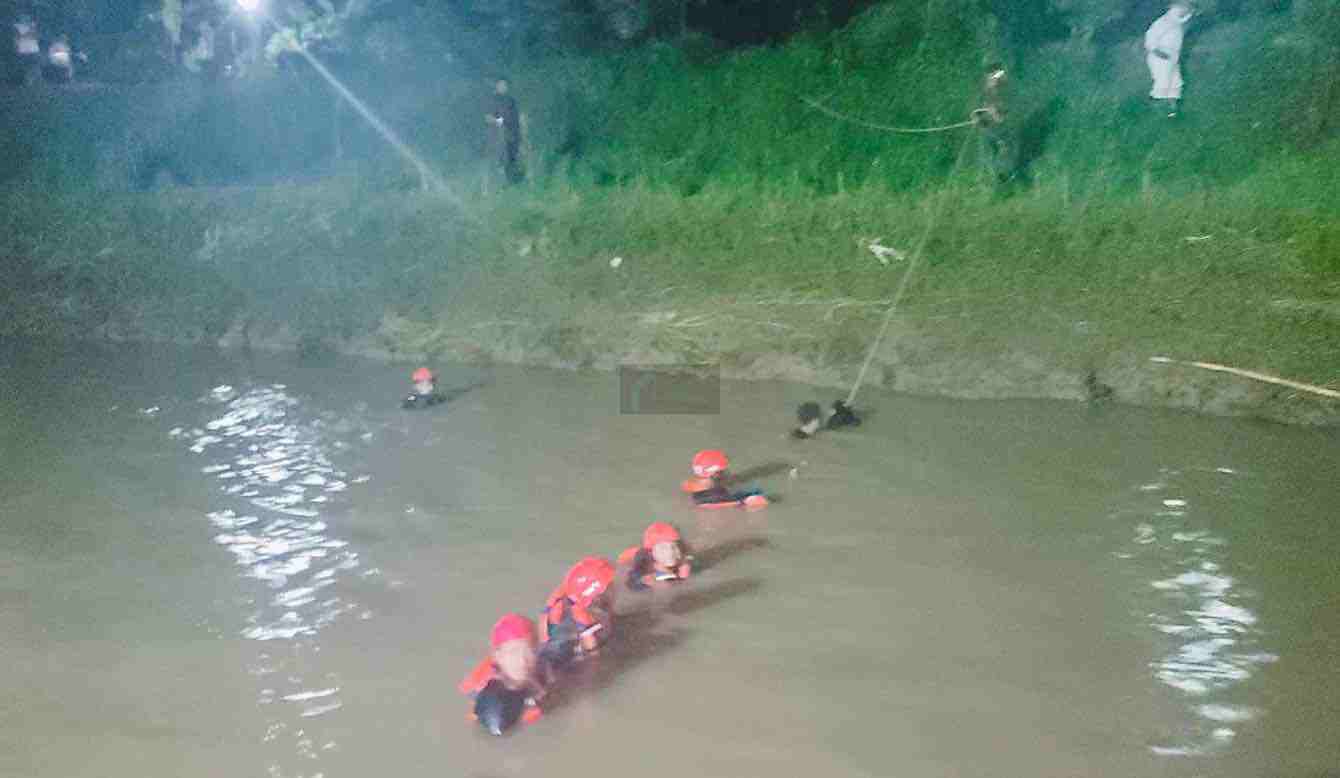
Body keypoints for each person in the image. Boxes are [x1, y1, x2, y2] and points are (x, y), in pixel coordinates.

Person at [458, 613, 548, 735]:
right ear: (498, 656)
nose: (522, 660)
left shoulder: (542, 666)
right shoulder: (493, 707)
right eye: (513, 652)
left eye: (528, 651)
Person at [539, 556, 616, 667]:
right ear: (596, 597)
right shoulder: (586, 626)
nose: (615, 587)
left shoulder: (564, 601)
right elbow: (594, 658)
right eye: (611, 585)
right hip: (570, 665)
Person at [1145, 3, 1195, 118]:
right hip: (1160, 59)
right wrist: (1158, 53)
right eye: (1185, 6)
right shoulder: (1164, 22)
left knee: (1176, 83)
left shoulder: (1178, 22)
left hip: (1172, 58)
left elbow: (1185, 20)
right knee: (1162, 84)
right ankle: (1155, 112)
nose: (1187, 9)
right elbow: (1150, 39)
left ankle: (1172, 113)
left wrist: (1191, 13)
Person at [681, 449, 769, 509]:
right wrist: (746, 502)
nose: (727, 472)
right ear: (716, 474)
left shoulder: (689, 485)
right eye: (723, 470)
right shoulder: (716, 496)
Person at [971, 63, 1014, 184]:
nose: (993, 80)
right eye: (991, 77)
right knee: (997, 149)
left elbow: (1003, 112)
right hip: (989, 127)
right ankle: (997, 176)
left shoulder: (1001, 89)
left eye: (995, 77)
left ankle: (1001, 175)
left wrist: (996, 113)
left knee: (1001, 149)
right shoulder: (985, 90)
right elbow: (976, 110)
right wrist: (977, 117)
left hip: (998, 127)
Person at [618, 522, 692, 590]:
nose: (670, 552)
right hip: (630, 562)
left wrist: (684, 570)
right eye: (662, 548)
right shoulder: (644, 565)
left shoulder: (682, 555)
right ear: (651, 552)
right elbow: (630, 584)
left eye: (674, 546)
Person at [485, 78, 523, 184]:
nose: (503, 87)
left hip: (513, 134)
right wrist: (499, 121)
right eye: (500, 85)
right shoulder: (492, 100)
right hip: (498, 134)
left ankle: (513, 181)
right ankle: (499, 182)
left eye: (505, 85)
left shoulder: (511, 100)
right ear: (496, 86)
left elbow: (516, 116)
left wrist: (521, 124)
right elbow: (488, 118)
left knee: (513, 158)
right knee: (500, 159)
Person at [792, 400, 861, 439]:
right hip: (835, 416)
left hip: (832, 414)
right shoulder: (828, 425)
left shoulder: (806, 418)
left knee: (839, 408)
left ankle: (846, 412)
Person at [13, 15, 41, 86]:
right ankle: (23, 81)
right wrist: (16, 46)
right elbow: (17, 37)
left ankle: (30, 80)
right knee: (23, 66)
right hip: (22, 49)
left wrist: (33, 29)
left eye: (28, 17)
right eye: (24, 17)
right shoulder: (17, 26)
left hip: (33, 49)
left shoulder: (33, 26)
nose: (26, 18)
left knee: (34, 65)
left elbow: (36, 36)